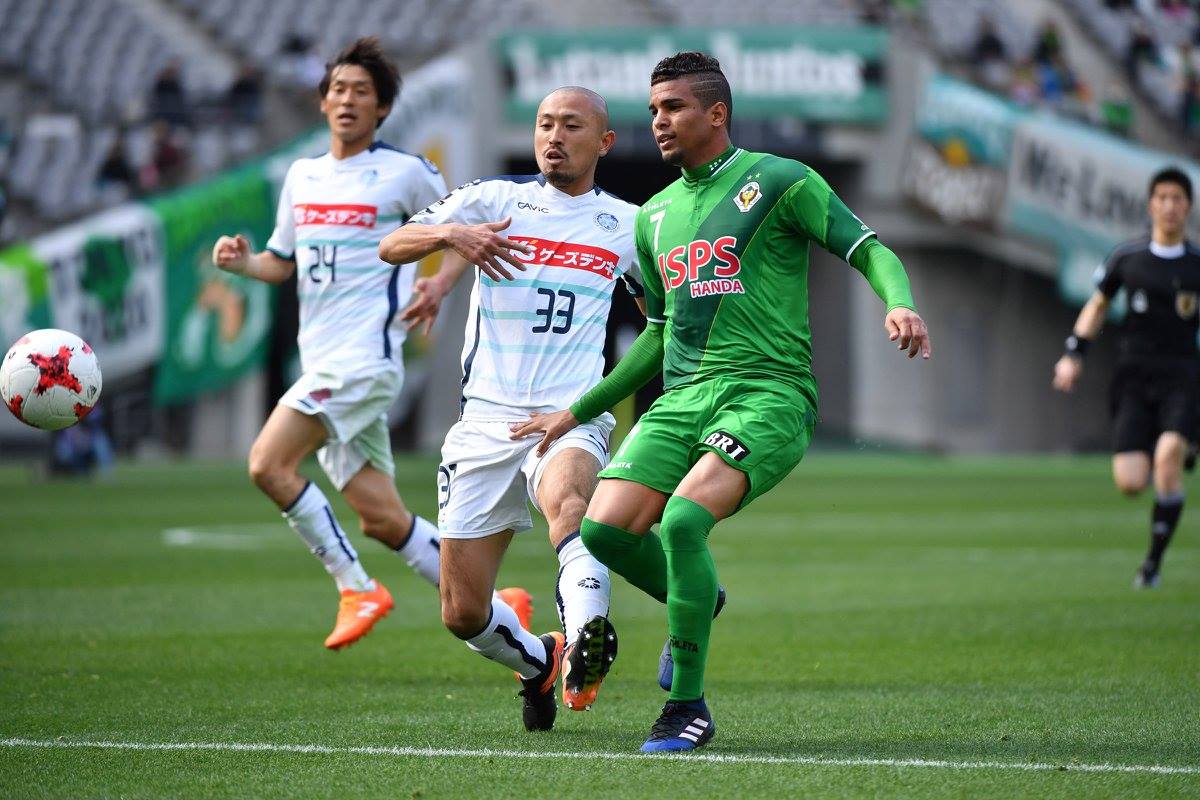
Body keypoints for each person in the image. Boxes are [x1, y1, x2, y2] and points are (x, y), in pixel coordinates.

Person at [511, 52, 932, 753]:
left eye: (672, 108)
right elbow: (656, 336)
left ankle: (686, 708)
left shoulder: (779, 181)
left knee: (680, 523)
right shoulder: (655, 218)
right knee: (604, 533)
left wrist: (902, 304)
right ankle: (699, 600)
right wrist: (579, 409)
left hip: (768, 395)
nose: (659, 122)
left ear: (717, 113)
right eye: (652, 111)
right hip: (682, 401)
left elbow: (868, 249)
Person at [379, 86, 642, 732]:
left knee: (571, 505)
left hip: (569, 415)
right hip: (485, 422)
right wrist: (451, 236)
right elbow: (392, 245)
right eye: (545, 124)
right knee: (462, 612)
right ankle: (540, 660)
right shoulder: (494, 200)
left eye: (571, 126)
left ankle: (585, 640)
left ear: (603, 143)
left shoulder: (632, 226)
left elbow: (663, 316)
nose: (554, 136)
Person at [211, 37, 449, 650]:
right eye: (338, 89)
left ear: (383, 110)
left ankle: (356, 587)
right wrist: (243, 264)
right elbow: (281, 262)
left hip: (365, 361)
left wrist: (440, 284)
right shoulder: (302, 175)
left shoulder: (407, 172)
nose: (347, 100)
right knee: (383, 518)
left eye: (362, 92)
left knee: (268, 464)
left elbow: (461, 231)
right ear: (322, 102)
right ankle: (502, 607)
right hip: (322, 359)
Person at [1053, 167, 1199, 589]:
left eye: (1178, 198)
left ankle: (1151, 566)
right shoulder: (1127, 258)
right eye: (1163, 197)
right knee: (1132, 483)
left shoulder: (1196, 266)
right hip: (1133, 377)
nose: (1170, 206)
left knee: (1168, 458)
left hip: (1182, 376)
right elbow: (1098, 306)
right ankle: (1177, 449)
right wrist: (1073, 354)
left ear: (1187, 207)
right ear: (1151, 204)